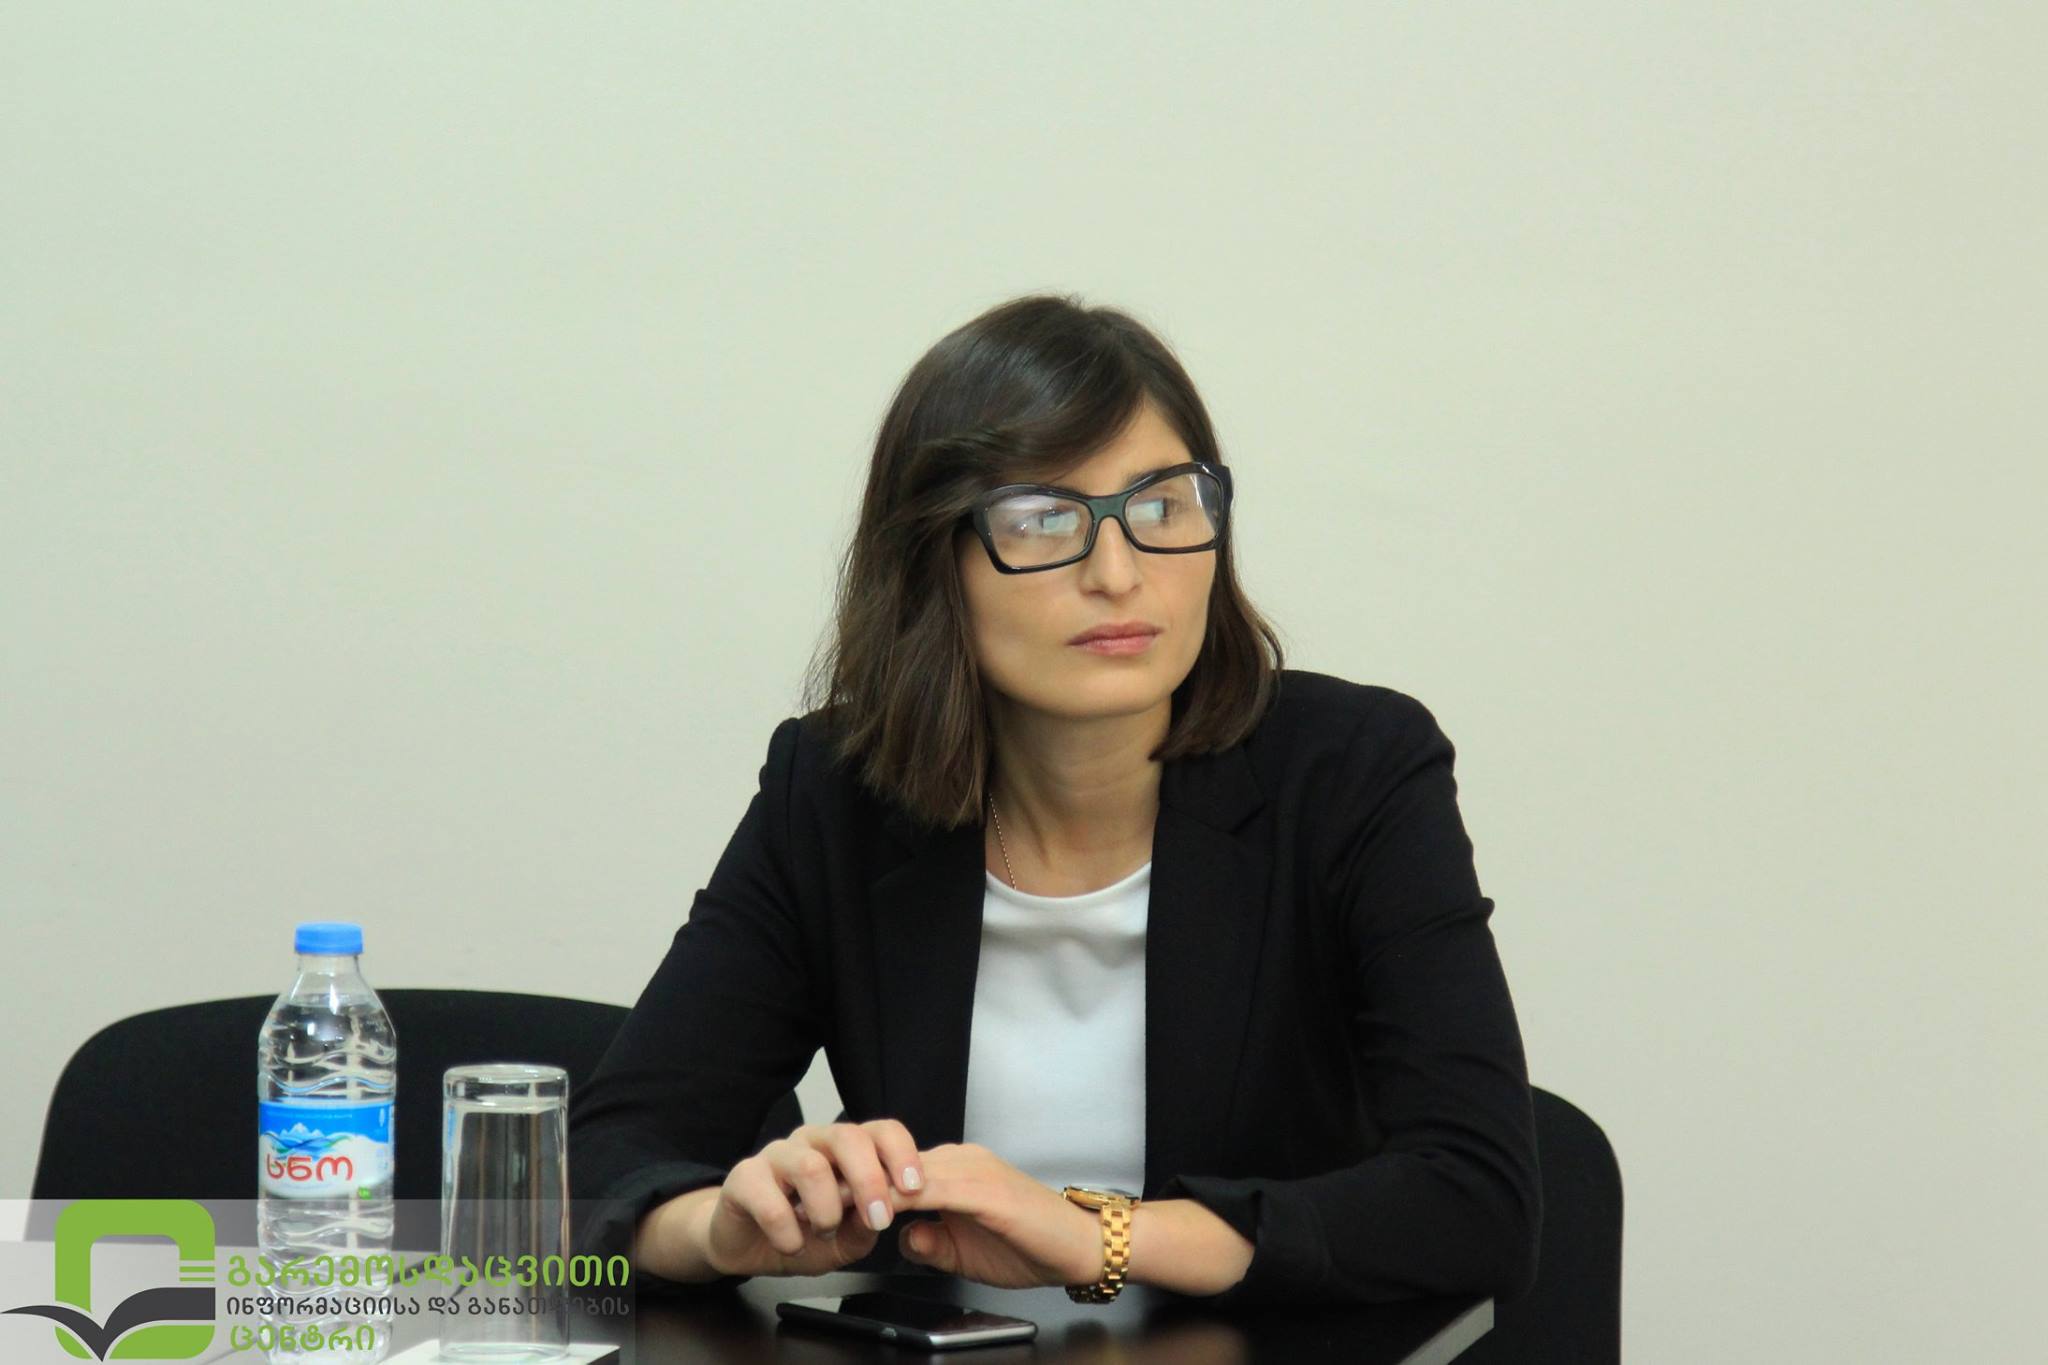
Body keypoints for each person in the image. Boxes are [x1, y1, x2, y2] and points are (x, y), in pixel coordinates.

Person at [566, 293, 1542, 1309]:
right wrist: (718, 1228)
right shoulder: (836, 793)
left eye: (1161, 507)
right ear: (932, 561)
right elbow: (602, 1160)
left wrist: (1099, 1237)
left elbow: (1475, 1202)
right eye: (1042, 520)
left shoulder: (1352, 773)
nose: (1118, 573)